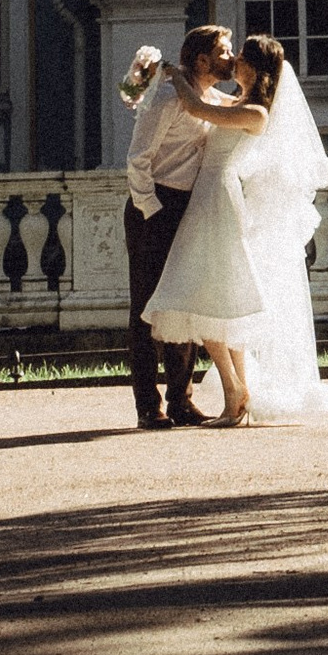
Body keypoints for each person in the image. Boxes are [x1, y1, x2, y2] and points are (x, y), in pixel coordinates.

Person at [140, 31, 328, 426]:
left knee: (205, 298)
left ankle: (235, 394)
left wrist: (172, 72)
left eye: (241, 58)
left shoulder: (256, 114)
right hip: (209, 198)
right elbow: (204, 104)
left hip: (217, 201)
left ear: (256, 68)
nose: (235, 63)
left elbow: (196, 106)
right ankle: (238, 395)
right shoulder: (239, 103)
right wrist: (151, 80)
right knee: (214, 297)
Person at [122, 22, 235, 428]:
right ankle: (147, 406)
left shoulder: (212, 98)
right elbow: (138, 159)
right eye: (224, 51)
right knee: (148, 310)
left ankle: (182, 400)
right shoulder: (168, 99)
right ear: (202, 59)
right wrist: (152, 210)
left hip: (190, 207)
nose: (231, 57)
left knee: (185, 303)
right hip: (154, 206)